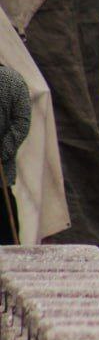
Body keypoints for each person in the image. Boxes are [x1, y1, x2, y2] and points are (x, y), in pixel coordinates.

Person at [0, 63, 30, 245]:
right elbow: (22, 123)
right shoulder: (14, 80)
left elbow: (21, 123)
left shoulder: (12, 81)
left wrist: (2, 151)